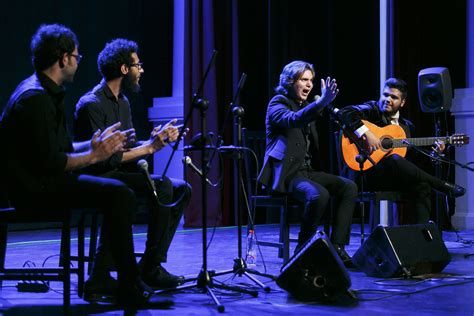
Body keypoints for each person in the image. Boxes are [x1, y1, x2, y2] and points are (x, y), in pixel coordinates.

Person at [0, 24, 157, 308]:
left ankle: (121, 281)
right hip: (33, 191)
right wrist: (95, 156)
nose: (76, 61)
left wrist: (96, 146)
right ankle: (126, 286)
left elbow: (60, 148)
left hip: (44, 181)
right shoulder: (35, 98)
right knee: (119, 193)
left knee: (120, 192)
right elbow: (53, 162)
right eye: (76, 56)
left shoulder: (46, 91)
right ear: (63, 59)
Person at [74, 38, 191, 300]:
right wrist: (149, 147)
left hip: (117, 171)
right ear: (125, 69)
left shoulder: (123, 102)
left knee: (182, 189)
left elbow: (124, 149)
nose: (142, 70)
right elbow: (104, 159)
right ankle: (137, 270)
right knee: (162, 186)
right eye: (138, 65)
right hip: (98, 176)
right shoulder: (91, 104)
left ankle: (151, 263)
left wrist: (153, 139)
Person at [258, 60, 357, 266]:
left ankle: (337, 247)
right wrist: (319, 104)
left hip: (307, 171)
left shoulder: (307, 107)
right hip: (287, 174)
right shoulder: (277, 103)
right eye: (304, 79)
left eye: (311, 80)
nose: (309, 84)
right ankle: (303, 250)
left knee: (348, 186)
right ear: (289, 81)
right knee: (319, 194)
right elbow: (293, 119)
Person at [338, 77, 465, 224]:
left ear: (402, 102)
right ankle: (441, 185)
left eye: (394, 97)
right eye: (385, 95)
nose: (387, 99)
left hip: (391, 178)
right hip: (365, 173)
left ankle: (419, 235)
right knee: (394, 159)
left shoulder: (406, 126)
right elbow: (344, 112)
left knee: (422, 186)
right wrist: (367, 133)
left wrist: (434, 154)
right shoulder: (371, 110)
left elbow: (413, 159)